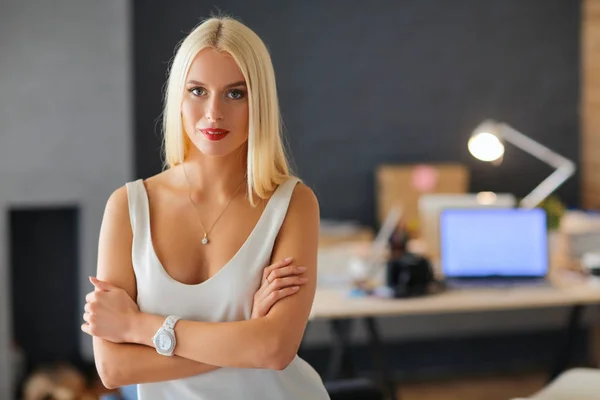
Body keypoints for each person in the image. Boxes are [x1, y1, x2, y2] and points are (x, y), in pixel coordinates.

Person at [81, 15, 330, 400]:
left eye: (236, 93)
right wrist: (245, 328)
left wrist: (137, 328)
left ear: (259, 102)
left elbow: (275, 350)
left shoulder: (293, 204)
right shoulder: (127, 208)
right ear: (177, 98)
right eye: (197, 91)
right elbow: (114, 369)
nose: (213, 112)